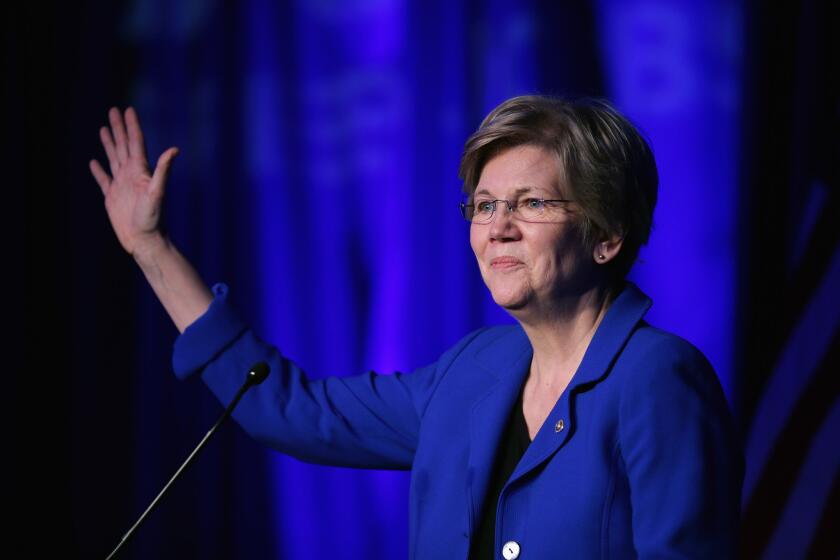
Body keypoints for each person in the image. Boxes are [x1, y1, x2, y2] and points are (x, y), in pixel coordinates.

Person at [90, 96, 743, 559]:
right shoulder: (471, 373)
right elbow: (282, 408)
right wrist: (152, 249)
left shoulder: (658, 378)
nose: (497, 227)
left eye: (532, 203)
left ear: (606, 235)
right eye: (483, 205)